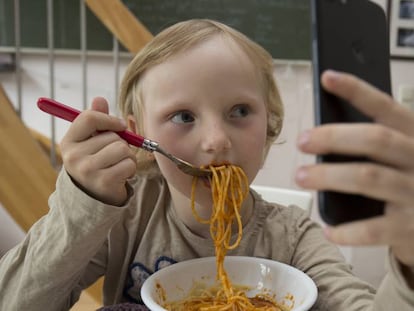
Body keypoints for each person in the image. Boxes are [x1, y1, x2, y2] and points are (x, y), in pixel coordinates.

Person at [0, 19, 413, 311]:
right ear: (137, 133)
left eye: (239, 111)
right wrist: (83, 202)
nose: (216, 141)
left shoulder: (294, 238)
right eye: (183, 116)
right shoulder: (124, 219)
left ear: (269, 123)